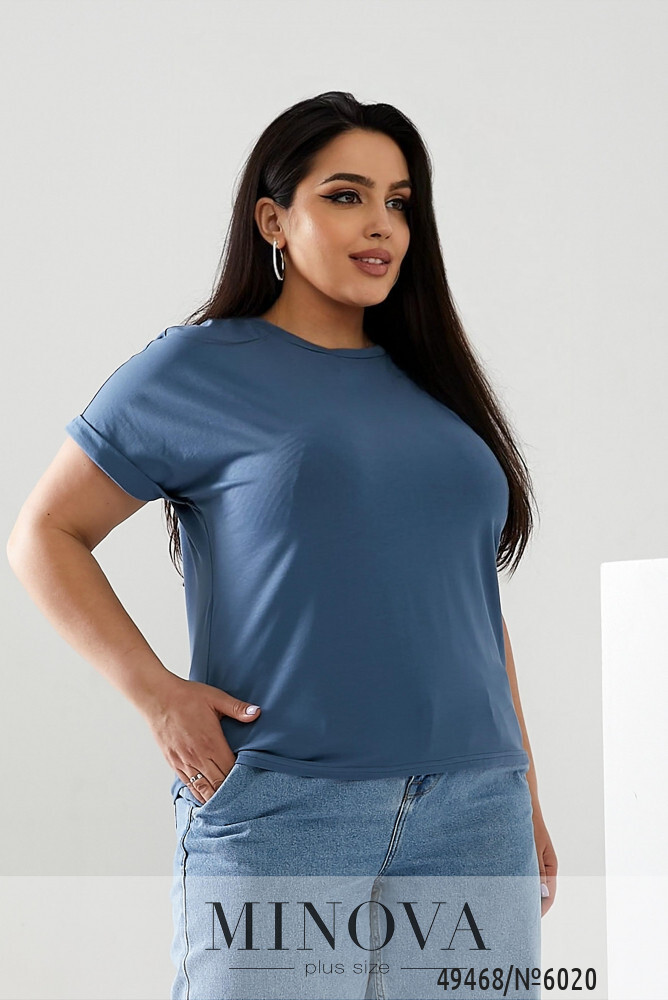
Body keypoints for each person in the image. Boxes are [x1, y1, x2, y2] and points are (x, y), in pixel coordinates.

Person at [7, 91, 557, 1000]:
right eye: (346, 195)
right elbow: (44, 534)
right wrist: (158, 697)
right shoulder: (196, 369)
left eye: (399, 201)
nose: (381, 224)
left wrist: (523, 792)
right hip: (287, 808)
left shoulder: (436, 387)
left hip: (474, 810)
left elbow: (470, 605)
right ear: (273, 219)